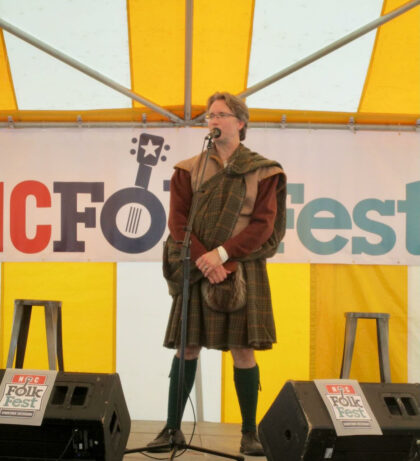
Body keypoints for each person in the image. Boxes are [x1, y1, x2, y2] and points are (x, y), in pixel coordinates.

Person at [147, 91, 287, 456]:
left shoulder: (264, 170)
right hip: (197, 267)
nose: (213, 120)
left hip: (242, 266)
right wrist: (203, 260)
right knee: (186, 347)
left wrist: (223, 255)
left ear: (240, 122)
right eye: (209, 115)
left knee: (243, 350)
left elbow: (264, 224)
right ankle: (172, 429)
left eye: (221, 114)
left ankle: (249, 434)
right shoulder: (187, 169)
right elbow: (178, 222)